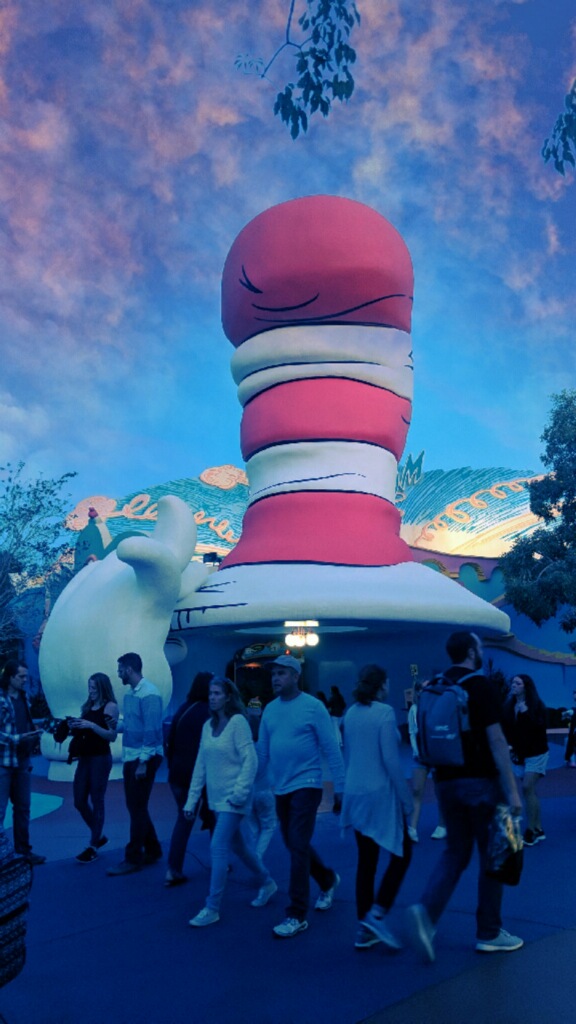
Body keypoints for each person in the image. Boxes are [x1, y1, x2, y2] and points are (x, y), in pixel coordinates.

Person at [407, 631, 523, 961]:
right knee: (493, 855)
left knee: (455, 852)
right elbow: (496, 741)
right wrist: (512, 791)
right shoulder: (479, 686)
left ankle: (427, 913)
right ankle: (489, 932)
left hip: (445, 782)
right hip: (481, 783)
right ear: (472, 652)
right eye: (479, 647)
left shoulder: (435, 686)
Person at [257, 654, 345, 939]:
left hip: (307, 784)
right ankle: (327, 879)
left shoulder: (313, 707)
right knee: (296, 843)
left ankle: (296, 914)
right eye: (273, 674)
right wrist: (247, 784)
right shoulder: (270, 710)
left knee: (297, 844)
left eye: (281, 673)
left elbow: (331, 748)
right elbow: (262, 753)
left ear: (296, 677)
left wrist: (340, 787)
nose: (275, 678)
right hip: (280, 787)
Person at [184, 677, 276, 927]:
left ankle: (212, 907)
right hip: (217, 799)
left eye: (217, 693)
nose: (212, 697)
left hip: (235, 799)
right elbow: (200, 765)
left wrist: (240, 793)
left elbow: (250, 760)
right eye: (210, 693)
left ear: (228, 697)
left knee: (218, 846)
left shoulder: (238, 723)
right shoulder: (207, 726)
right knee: (240, 847)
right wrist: (191, 801)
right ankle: (267, 882)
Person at [341, 664, 413, 951]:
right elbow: (391, 761)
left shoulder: (351, 713)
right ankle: (378, 912)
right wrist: (406, 799)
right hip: (379, 794)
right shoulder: (384, 713)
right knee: (403, 853)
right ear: (381, 685)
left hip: (355, 792)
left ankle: (365, 927)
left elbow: (351, 754)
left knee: (366, 861)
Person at [107, 652, 164, 876]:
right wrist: (116, 725)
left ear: (129, 670)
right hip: (133, 756)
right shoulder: (131, 694)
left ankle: (133, 857)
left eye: (120, 669)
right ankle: (152, 849)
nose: (118, 673)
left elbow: (152, 730)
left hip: (143, 757)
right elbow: (134, 725)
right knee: (136, 806)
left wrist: (143, 762)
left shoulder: (150, 694)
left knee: (137, 806)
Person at [164, 671, 214, 886]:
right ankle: (219, 861)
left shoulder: (183, 709)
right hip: (200, 776)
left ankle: (173, 869)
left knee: (184, 820)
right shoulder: (209, 713)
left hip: (177, 774)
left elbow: (170, 742)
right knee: (215, 818)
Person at [68, 673, 119, 863]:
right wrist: (75, 725)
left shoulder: (110, 707)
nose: (90, 691)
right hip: (85, 758)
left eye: (94, 688)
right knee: (79, 800)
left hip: (100, 758)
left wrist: (91, 725)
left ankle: (93, 845)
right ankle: (99, 836)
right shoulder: (88, 706)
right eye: (89, 687)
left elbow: (112, 736)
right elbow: (85, 731)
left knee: (97, 799)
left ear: (102, 688)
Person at [0, 662, 45, 865]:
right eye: (21, 677)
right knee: (1, 810)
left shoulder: (24, 698)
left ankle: (23, 851)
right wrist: (18, 738)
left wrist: (34, 736)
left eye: (26, 676)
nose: (25, 680)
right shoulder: (2, 699)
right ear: (10, 677)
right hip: (4, 761)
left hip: (22, 761)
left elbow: (25, 723)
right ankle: (4, 856)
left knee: (23, 808)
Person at [502, 674, 548, 846]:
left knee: (527, 786)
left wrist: (526, 713)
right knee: (530, 791)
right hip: (520, 755)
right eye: (513, 682)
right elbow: (508, 729)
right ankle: (539, 828)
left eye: (518, 683)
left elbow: (539, 729)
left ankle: (531, 831)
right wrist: (509, 746)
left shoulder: (537, 706)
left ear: (526, 687)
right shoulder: (509, 706)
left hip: (537, 753)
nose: (513, 685)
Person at [407, 681, 446, 842]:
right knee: (417, 790)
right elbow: (412, 732)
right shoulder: (414, 709)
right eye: (422, 689)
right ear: (417, 692)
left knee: (440, 790)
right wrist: (416, 752)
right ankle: (412, 829)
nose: (425, 691)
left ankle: (442, 825)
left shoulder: (438, 707)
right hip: (420, 755)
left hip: (436, 755)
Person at [562, 688, 576, 767]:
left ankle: (571, 760)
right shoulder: (573, 710)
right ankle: (571, 760)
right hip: (573, 733)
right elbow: (565, 715)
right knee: (571, 743)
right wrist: (566, 714)